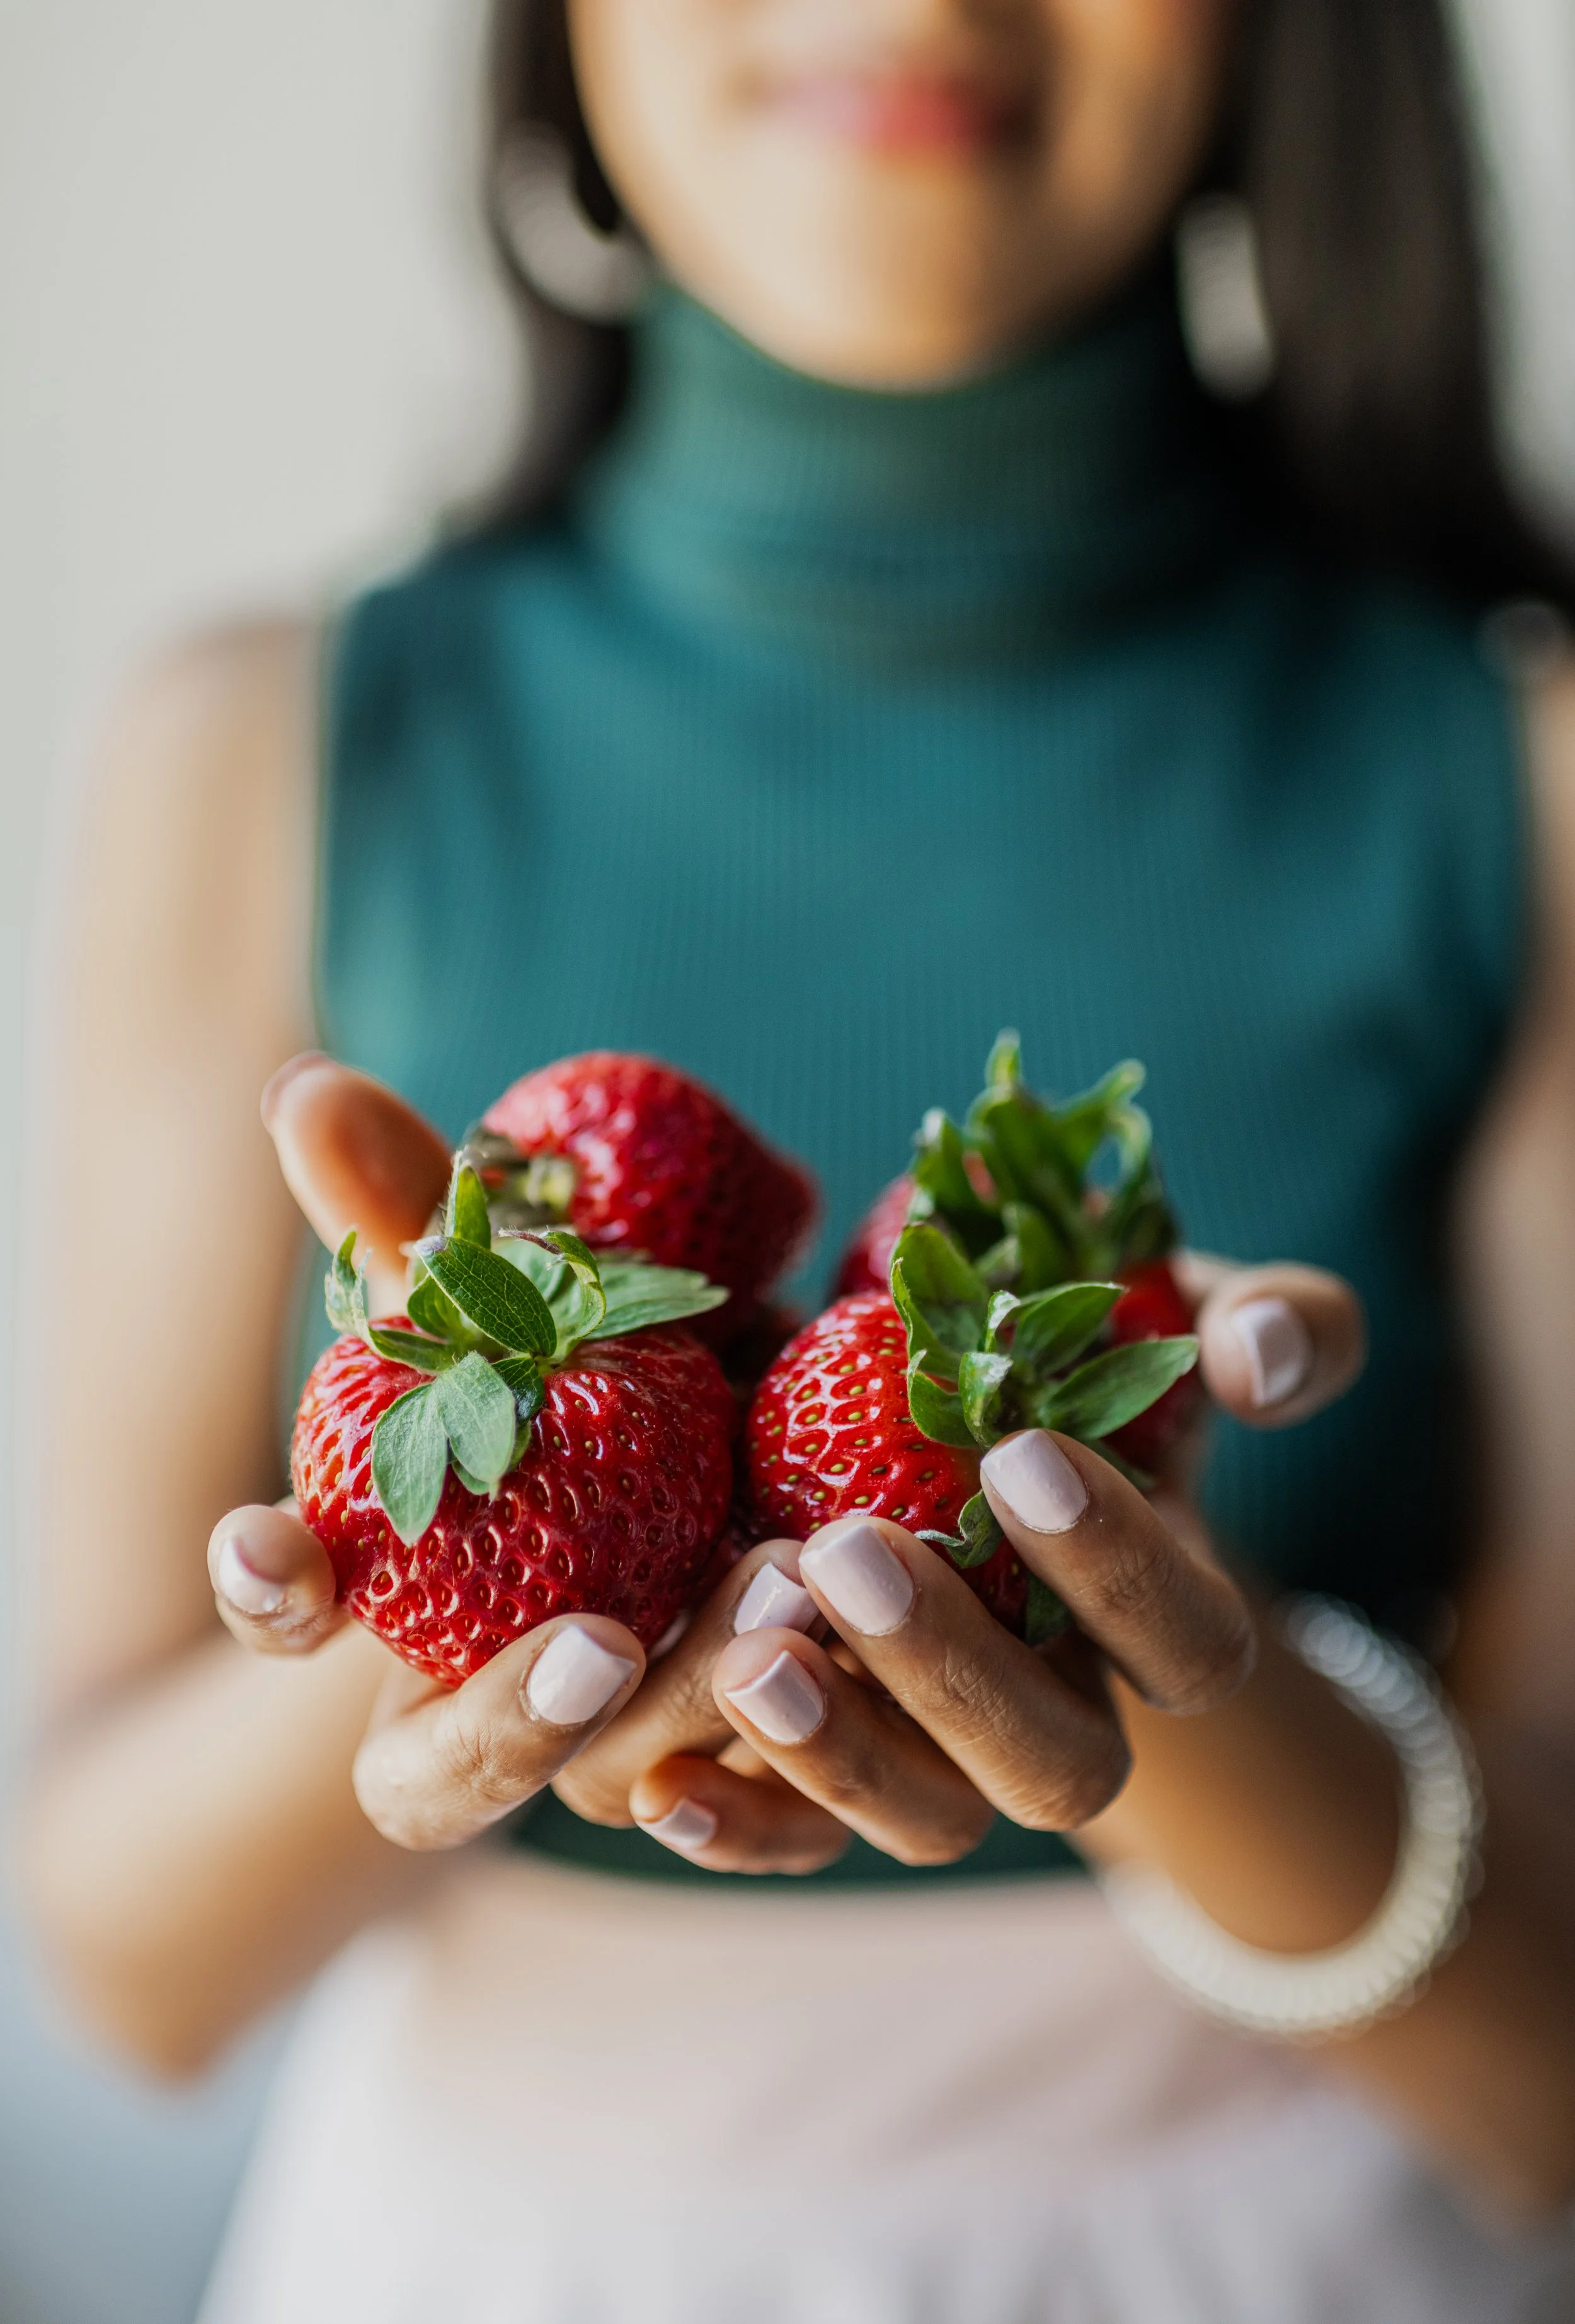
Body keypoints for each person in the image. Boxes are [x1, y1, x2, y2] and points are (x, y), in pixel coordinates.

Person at [18, 1, 1575, 2316]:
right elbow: (123, 1967)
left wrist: (1136, 1642)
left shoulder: (1515, 784)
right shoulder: (267, 747)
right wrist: (489, 1597)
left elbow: (1552, 2089)